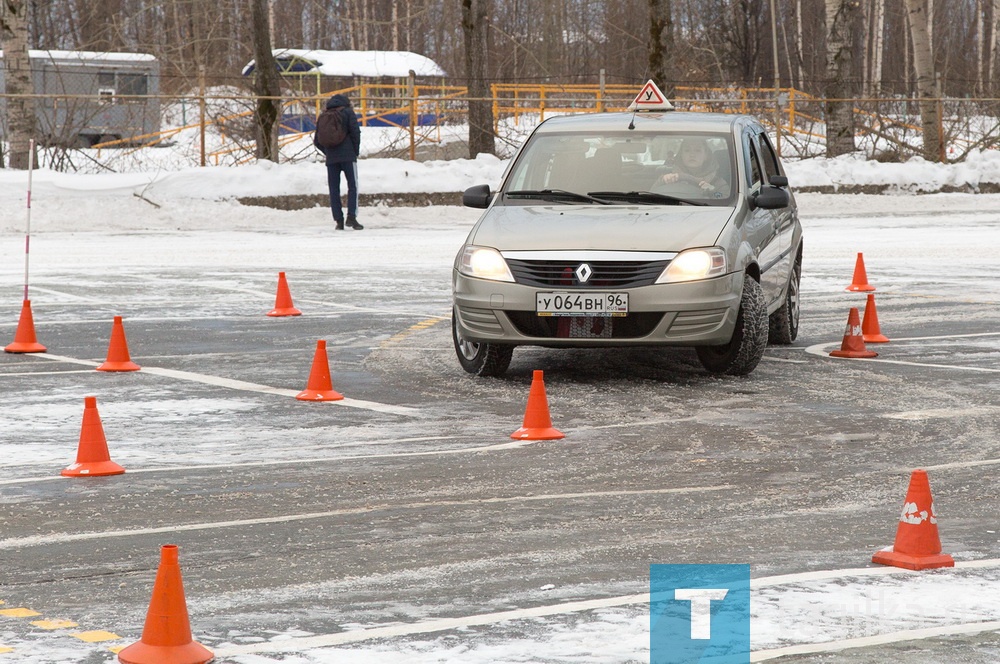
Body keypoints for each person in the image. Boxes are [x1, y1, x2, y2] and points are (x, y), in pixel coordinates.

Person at [314, 94, 363, 230]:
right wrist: (354, 151)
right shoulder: (348, 112)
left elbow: (317, 141)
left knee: (334, 189)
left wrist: (328, 152)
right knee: (353, 186)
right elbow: (355, 133)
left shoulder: (323, 115)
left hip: (331, 158)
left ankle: (339, 221)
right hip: (348, 156)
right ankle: (351, 217)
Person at [658, 137, 728, 195]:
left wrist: (713, 191)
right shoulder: (670, 178)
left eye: (698, 150)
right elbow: (651, 197)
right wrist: (662, 181)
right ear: (681, 155)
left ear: (706, 156)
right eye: (687, 150)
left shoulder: (718, 183)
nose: (692, 155)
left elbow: (723, 199)